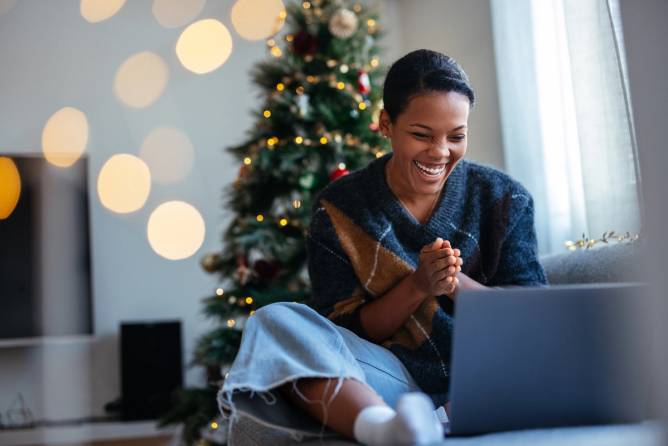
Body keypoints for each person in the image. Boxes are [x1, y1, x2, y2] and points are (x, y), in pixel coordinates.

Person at [219, 49, 547, 446]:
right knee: (273, 321)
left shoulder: (504, 198)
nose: (440, 152)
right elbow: (343, 333)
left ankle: (444, 419)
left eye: (456, 136)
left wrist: (452, 281)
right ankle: (383, 429)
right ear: (386, 125)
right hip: (389, 380)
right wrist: (418, 285)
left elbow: (533, 322)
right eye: (421, 135)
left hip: (487, 377)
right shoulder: (340, 207)